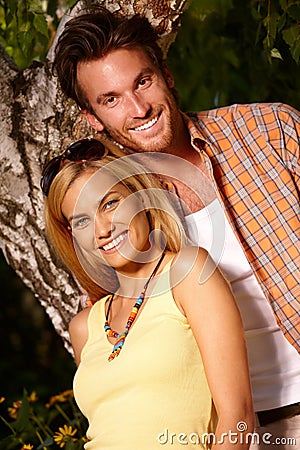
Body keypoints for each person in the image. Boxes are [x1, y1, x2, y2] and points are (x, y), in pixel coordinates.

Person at [52, 8, 300, 449]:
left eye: (142, 82)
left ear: (165, 73)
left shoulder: (271, 132)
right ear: (92, 118)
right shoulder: (115, 219)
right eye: (110, 99)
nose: (138, 108)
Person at [41, 139, 254, 449]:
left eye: (110, 203)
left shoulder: (187, 272)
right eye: (82, 220)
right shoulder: (84, 327)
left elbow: (238, 417)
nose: (102, 229)